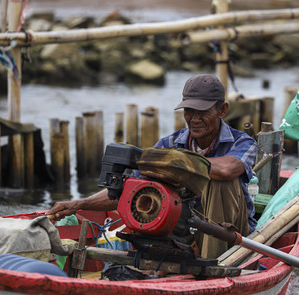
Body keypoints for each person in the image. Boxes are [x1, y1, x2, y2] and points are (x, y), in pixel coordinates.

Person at [46, 74, 258, 259]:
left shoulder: (242, 143)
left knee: (219, 179)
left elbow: (228, 169)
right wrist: (80, 203)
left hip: (230, 234)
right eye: (189, 111)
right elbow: (127, 191)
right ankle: (159, 261)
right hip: (186, 230)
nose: (194, 119)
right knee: (145, 190)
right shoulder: (170, 144)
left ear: (222, 110)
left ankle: (215, 263)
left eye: (202, 112)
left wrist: (174, 164)